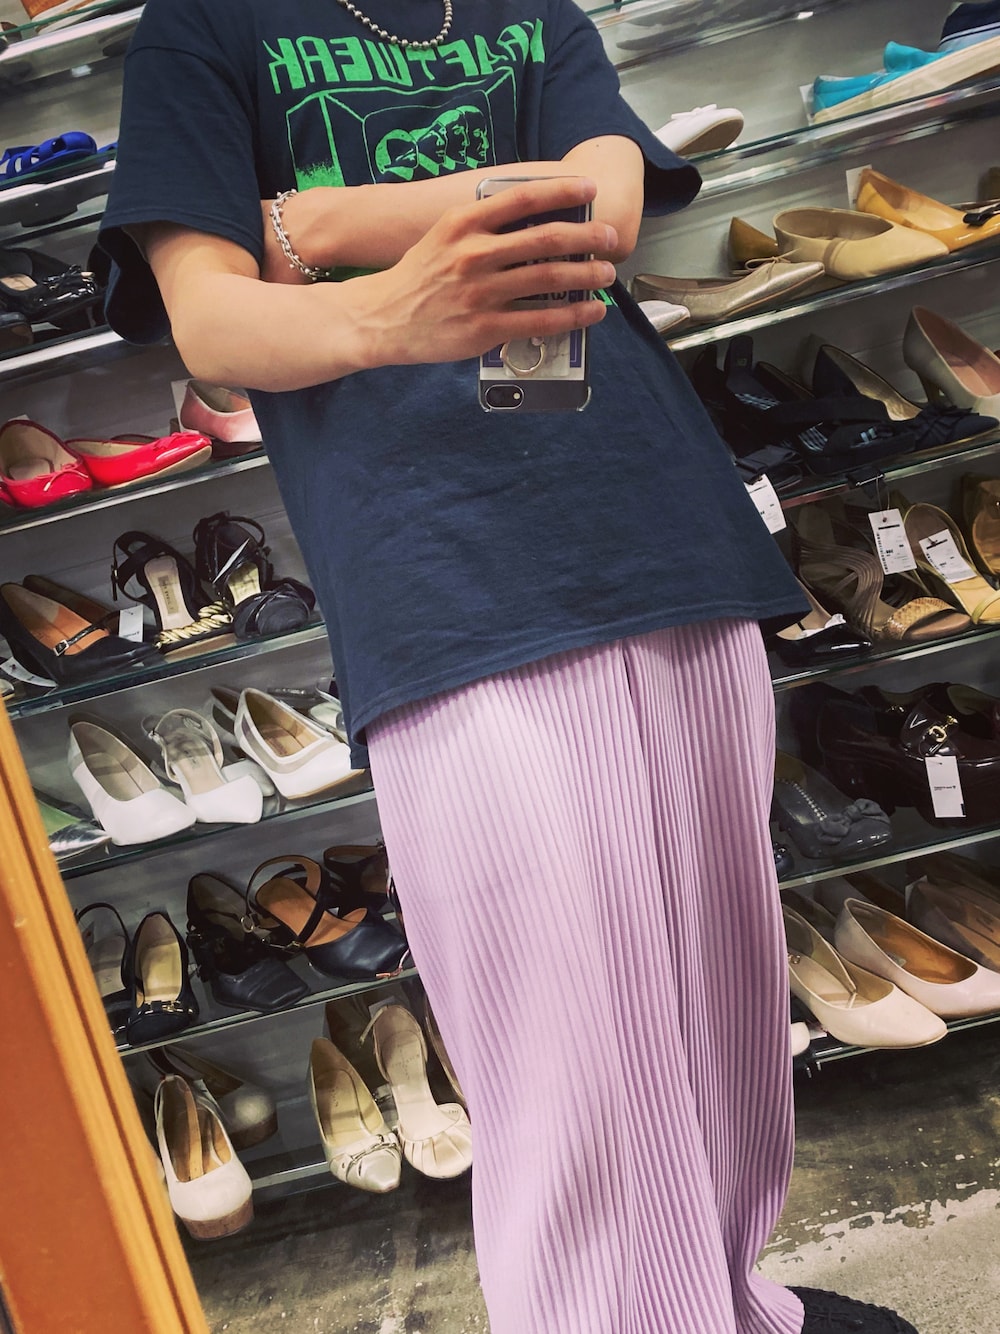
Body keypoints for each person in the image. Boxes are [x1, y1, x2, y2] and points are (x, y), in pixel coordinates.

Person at [99, 3, 918, 1332]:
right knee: (569, 1054)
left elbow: (600, 209)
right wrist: (395, 298)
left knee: (719, 994)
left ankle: (723, 1300)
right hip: (440, 566)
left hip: (655, 516)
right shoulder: (209, 25)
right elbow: (212, 324)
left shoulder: (523, 8)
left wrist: (309, 224)